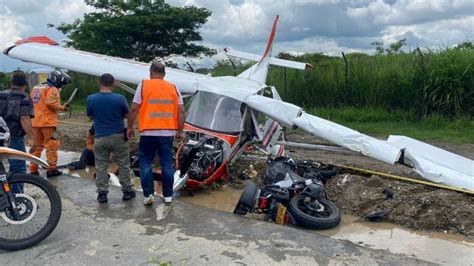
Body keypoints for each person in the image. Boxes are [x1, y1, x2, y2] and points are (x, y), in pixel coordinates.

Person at [127, 62, 185, 205]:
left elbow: (134, 109)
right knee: (166, 164)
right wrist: (180, 130)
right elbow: (181, 111)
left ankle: (148, 195)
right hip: (167, 133)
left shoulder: (144, 85)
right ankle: (168, 196)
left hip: (147, 132)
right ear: (164, 74)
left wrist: (129, 127)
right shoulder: (173, 87)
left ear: (151, 72)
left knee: (145, 163)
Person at [87, 73, 135, 203]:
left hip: (100, 137)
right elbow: (127, 114)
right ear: (113, 83)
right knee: (123, 164)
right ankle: (127, 191)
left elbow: (90, 116)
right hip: (118, 136)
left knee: (101, 166)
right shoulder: (120, 98)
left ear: (99, 83)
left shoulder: (91, 99)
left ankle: (102, 193)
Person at [29, 70, 70, 177]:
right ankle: (51, 169)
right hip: (47, 122)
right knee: (51, 146)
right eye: (62, 83)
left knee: (37, 146)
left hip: (35, 121)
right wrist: (63, 107)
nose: (62, 85)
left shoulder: (36, 87)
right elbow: (50, 103)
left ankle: (33, 169)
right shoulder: (52, 89)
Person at [0, 71, 35, 193]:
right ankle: (17, 199)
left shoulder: (1, 95)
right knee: (18, 168)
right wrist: (32, 136)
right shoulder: (24, 97)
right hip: (13, 137)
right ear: (25, 84)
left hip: (0, 135)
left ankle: (4, 197)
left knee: (1, 169)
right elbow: (24, 118)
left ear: (11, 83)